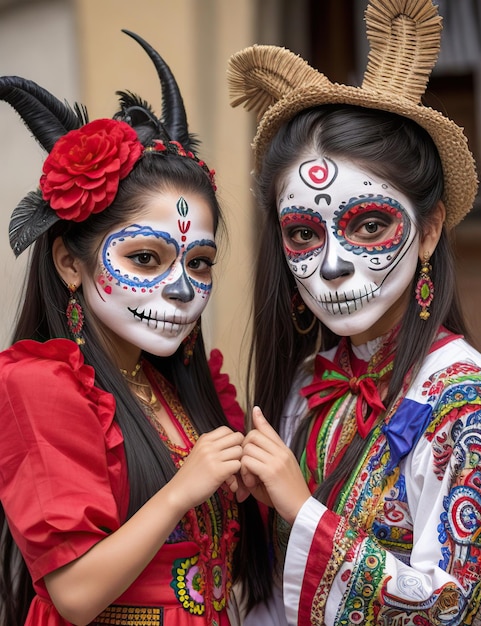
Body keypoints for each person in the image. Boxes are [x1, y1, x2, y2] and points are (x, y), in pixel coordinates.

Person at [0, 30, 269, 626]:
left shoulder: (183, 383)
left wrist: (252, 489)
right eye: (145, 259)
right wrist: (184, 490)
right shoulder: (42, 389)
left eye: (199, 263)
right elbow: (74, 594)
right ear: (70, 262)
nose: (180, 288)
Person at [227, 0, 481, 624]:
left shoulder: (464, 400)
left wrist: (300, 508)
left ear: (428, 231)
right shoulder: (304, 384)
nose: (333, 265)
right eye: (304, 234)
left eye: (369, 224)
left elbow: (456, 605)